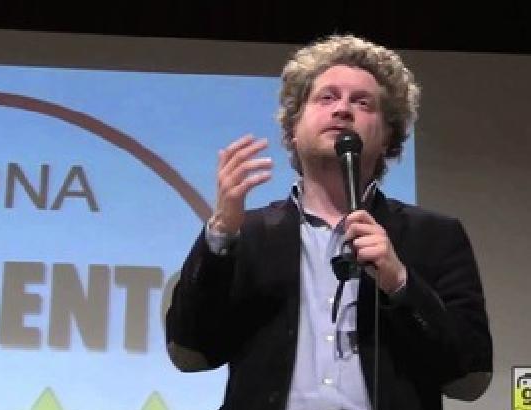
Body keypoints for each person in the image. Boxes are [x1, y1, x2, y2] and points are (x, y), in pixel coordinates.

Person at [165, 34, 493, 410]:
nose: (342, 110)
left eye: (362, 102)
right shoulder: (249, 235)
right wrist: (221, 233)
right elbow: (190, 350)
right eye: (327, 98)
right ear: (293, 129)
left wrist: (401, 283)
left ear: (389, 137)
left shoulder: (435, 236)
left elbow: (469, 376)